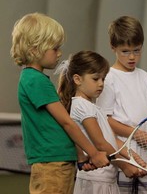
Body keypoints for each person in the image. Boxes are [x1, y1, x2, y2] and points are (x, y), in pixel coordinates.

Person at [10, 13, 109, 194]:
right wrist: (93, 154)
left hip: (57, 161)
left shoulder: (34, 79)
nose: (59, 53)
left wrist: (80, 155)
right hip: (52, 164)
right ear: (34, 50)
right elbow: (66, 122)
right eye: (55, 48)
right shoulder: (36, 80)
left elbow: (57, 124)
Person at [56, 50, 146, 194]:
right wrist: (124, 166)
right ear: (77, 79)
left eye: (103, 79)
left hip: (106, 179)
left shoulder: (93, 107)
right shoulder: (81, 105)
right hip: (95, 180)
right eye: (95, 79)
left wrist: (135, 158)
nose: (101, 84)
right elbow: (100, 143)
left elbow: (112, 140)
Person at [96, 16, 147, 194]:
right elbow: (104, 121)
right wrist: (137, 134)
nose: (132, 57)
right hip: (123, 159)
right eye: (125, 51)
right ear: (113, 47)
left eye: (137, 50)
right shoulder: (107, 79)